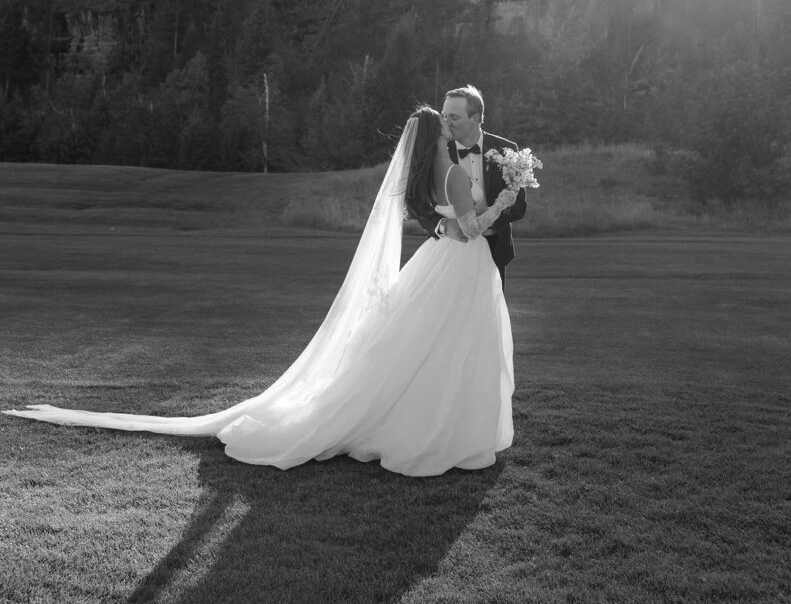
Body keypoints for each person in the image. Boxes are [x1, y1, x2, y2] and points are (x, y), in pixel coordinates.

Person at [4, 106, 517, 478]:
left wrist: (464, 219)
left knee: (428, 345)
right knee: (453, 346)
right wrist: (506, 200)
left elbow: (443, 221)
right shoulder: (453, 174)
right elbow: (471, 229)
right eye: (446, 122)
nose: (452, 127)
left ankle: (428, 419)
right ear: (437, 135)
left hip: (437, 264)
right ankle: (440, 428)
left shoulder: (426, 175)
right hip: (459, 265)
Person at [418, 85, 526, 289]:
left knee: (488, 308)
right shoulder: (435, 154)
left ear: (475, 118)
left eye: (454, 117)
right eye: (444, 115)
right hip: (451, 250)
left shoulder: (507, 150)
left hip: (495, 248)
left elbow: (519, 206)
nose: (446, 122)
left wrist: (489, 217)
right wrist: (443, 226)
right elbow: (418, 204)